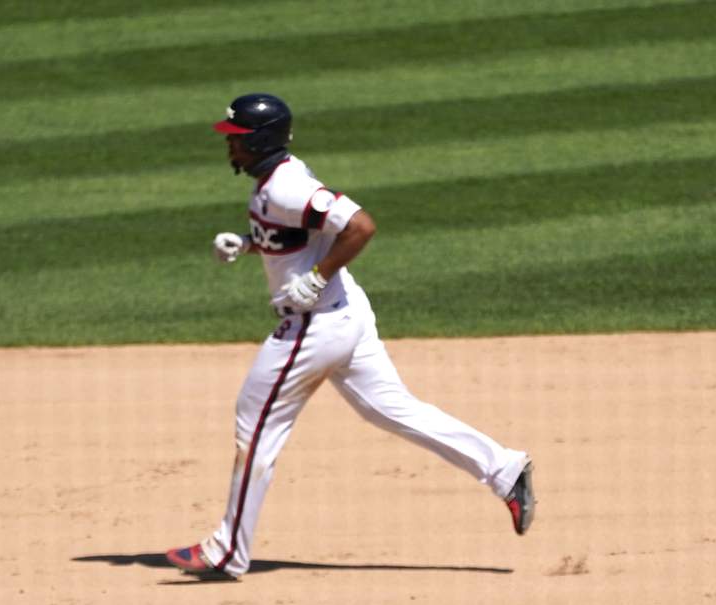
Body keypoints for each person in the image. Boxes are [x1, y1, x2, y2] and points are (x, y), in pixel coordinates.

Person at [166, 92, 535, 579]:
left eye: (236, 140)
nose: (229, 148)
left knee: (255, 422)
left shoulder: (287, 187)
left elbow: (361, 226)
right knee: (390, 409)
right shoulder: (276, 182)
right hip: (345, 316)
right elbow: (298, 236)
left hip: (315, 325)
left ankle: (226, 550)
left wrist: (316, 279)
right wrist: (251, 245)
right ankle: (505, 469)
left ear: (259, 141)